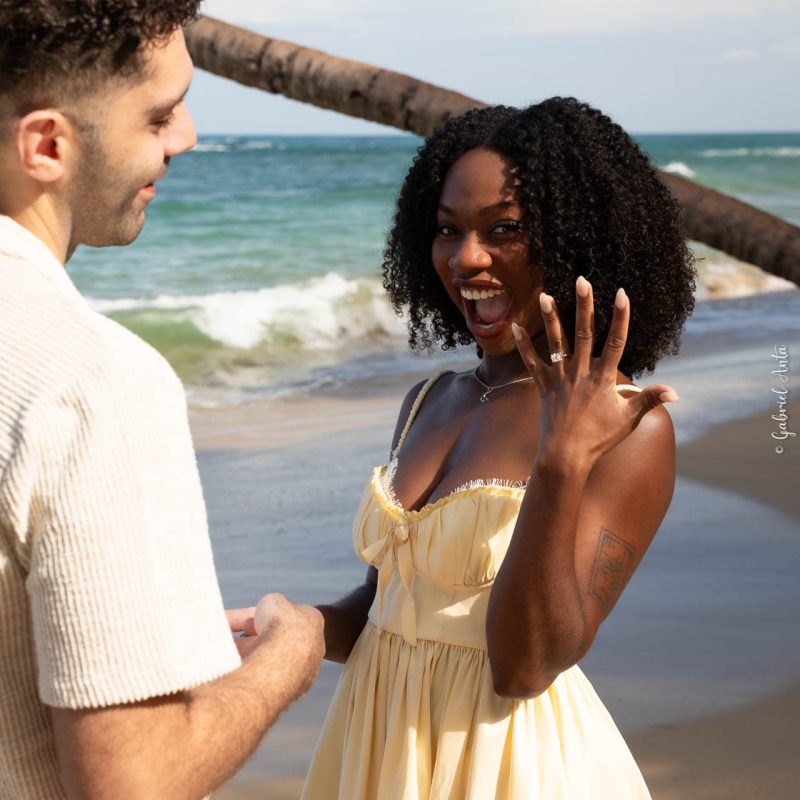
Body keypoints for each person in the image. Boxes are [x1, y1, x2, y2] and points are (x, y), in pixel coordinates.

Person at [286, 99, 695, 798]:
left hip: (509, 769)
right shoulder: (430, 399)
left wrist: (560, 464)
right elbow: (391, 612)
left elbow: (525, 665)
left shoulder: (628, 428)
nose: (467, 257)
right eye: (448, 231)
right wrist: (289, 630)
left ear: (576, 241)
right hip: (379, 753)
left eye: (503, 229)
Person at [0, 3, 324, 799]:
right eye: (161, 114)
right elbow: (132, 783)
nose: (186, 138)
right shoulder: (94, 381)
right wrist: (291, 655)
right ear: (47, 145)